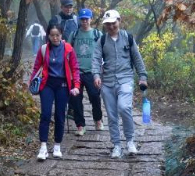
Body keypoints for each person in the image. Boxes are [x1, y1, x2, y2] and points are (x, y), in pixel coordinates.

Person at [92, 9, 148, 158]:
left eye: (113, 23)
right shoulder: (102, 40)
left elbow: (137, 58)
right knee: (111, 115)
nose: (111, 27)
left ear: (119, 21)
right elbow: (96, 59)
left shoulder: (128, 38)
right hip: (107, 82)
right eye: (107, 24)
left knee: (124, 108)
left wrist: (142, 76)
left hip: (125, 79)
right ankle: (116, 145)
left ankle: (130, 141)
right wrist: (96, 75)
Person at [30, 23, 81, 161]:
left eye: (57, 35)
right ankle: (43, 147)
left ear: (61, 35)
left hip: (63, 85)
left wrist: (76, 85)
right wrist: (32, 81)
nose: (55, 38)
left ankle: (57, 145)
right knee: (45, 114)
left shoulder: (68, 49)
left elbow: (75, 68)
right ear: (48, 36)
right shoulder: (44, 49)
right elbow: (36, 67)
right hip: (47, 85)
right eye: (52, 35)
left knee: (60, 115)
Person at [68, 8, 104, 135]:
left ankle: (98, 119)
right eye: (82, 19)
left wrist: (101, 70)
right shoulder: (74, 34)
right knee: (76, 99)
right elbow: (68, 51)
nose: (84, 22)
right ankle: (80, 125)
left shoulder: (97, 34)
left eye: (86, 19)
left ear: (91, 19)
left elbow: (103, 52)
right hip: (76, 72)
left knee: (95, 97)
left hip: (92, 72)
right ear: (79, 20)